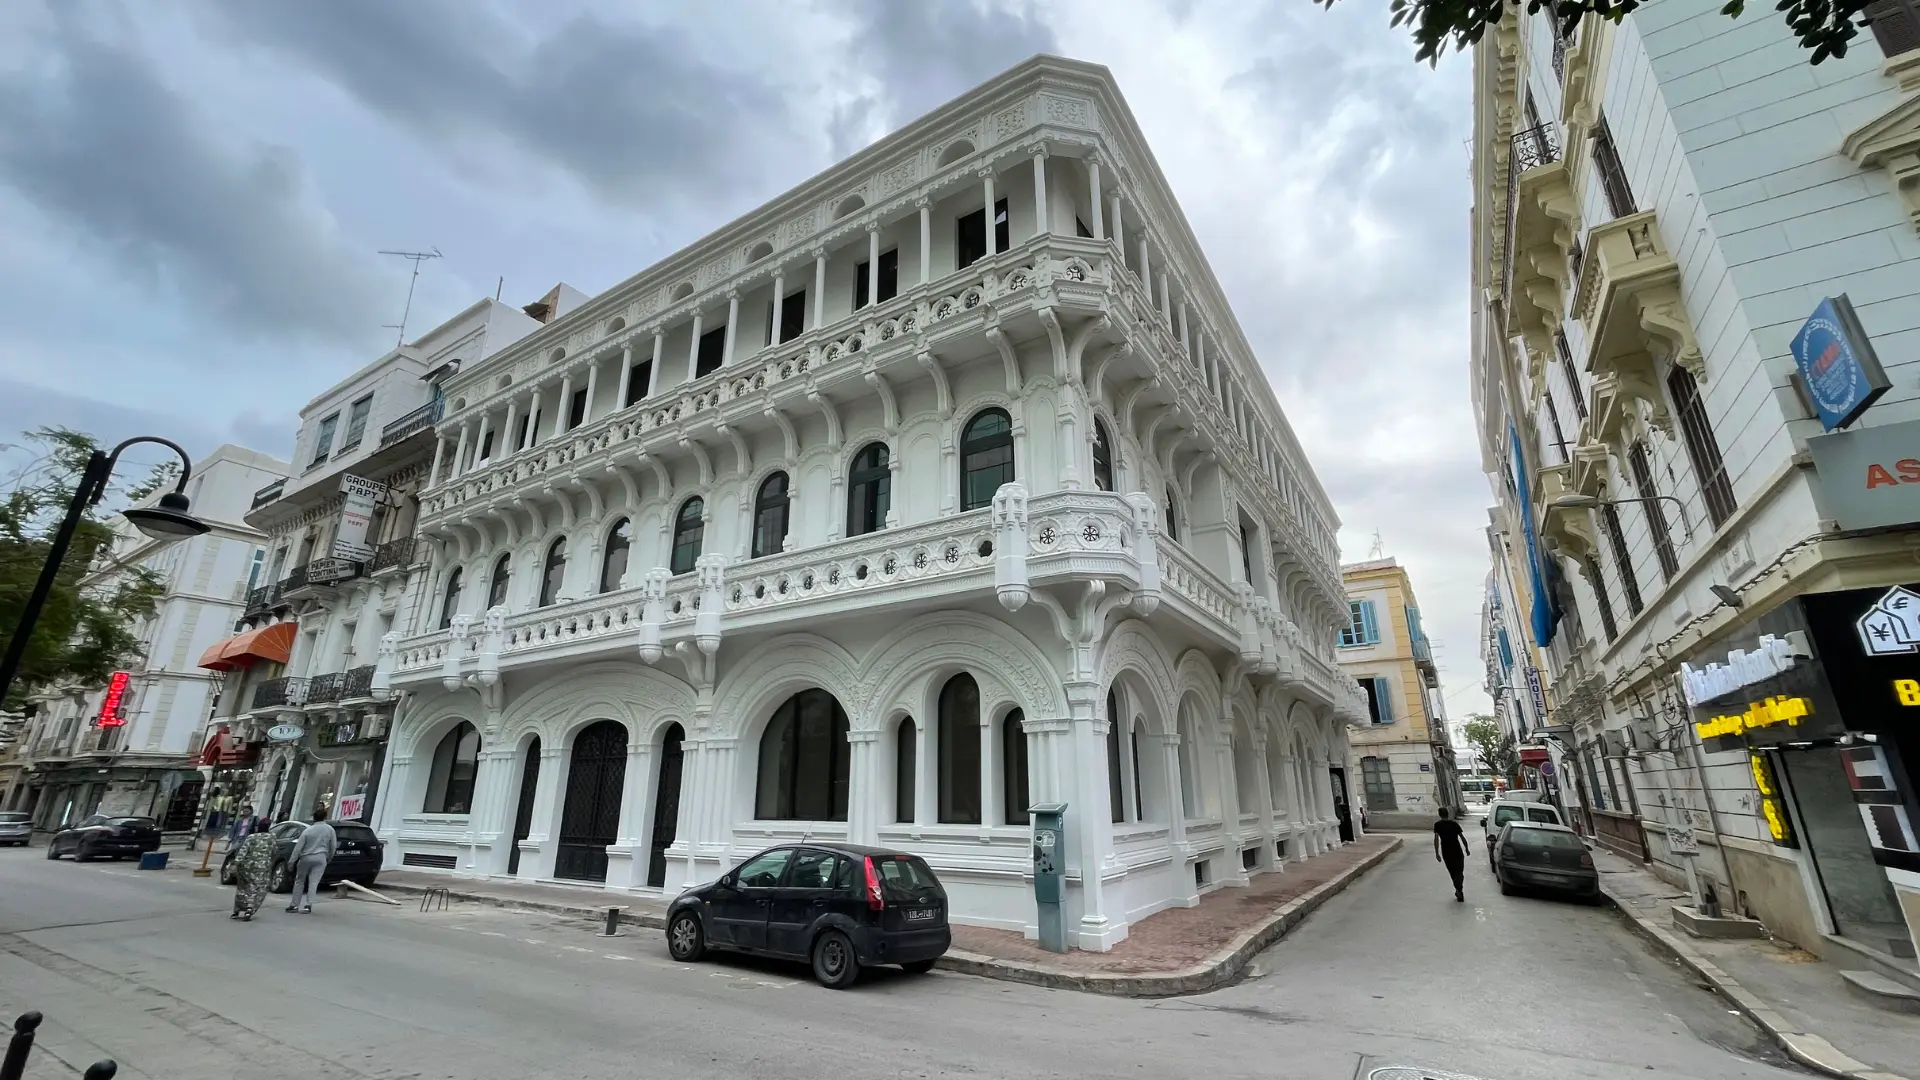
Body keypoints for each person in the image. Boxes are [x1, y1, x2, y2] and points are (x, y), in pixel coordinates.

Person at [285, 809, 337, 914]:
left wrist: (292, 861)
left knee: (299, 881)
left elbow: (298, 848)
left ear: (314, 818)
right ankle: (308, 905)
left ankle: (294, 905)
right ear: (325, 817)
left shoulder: (308, 830)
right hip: (321, 857)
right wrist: (329, 858)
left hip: (305, 857)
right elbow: (333, 846)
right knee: (314, 882)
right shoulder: (330, 829)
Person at [228, 831, 276, 921]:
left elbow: (243, 851)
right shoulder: (272, 838)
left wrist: (236, 863)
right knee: (256, 888)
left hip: (247, 866)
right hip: (262, 868)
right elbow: (274, 852)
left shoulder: (251, 837)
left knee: (242, 888)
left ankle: (237, 910)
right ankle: (249, 909)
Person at [1434, 806, 1471, 902]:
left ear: (1439, 815)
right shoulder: (1454, 824)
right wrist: (1466, 848)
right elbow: (1462, 837)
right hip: (1457, 850)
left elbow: (1436, 839)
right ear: (1448, 813)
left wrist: (1437, 853)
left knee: (1453, 873)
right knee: (1459, 872)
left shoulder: (1438, 825)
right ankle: (1459, 889)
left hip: (1446, 852)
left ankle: (1458, 889)